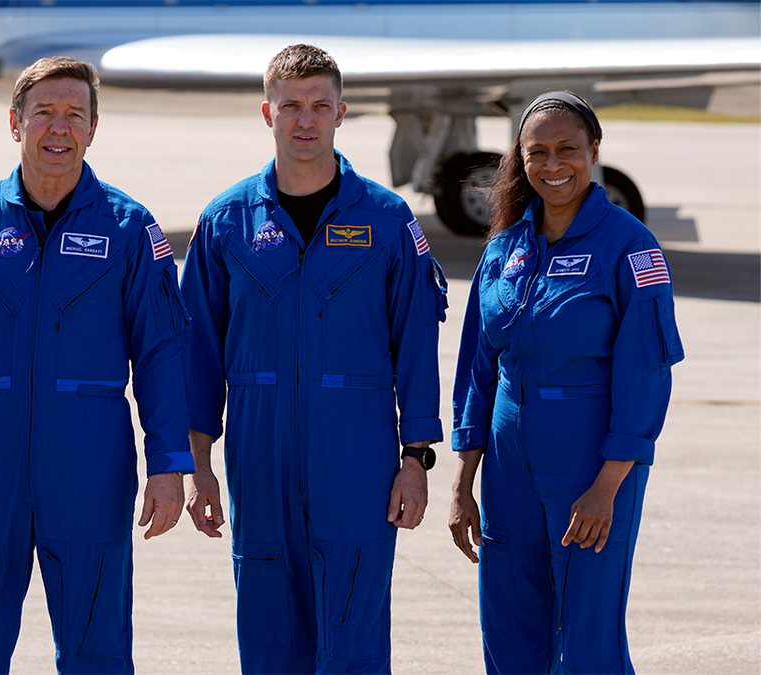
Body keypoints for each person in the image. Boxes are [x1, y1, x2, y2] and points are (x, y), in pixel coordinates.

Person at [0, 56, 194, 674]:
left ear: (93, 128)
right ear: (15, 122)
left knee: (98, 649)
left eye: (74, 115)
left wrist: (169, 464)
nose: (58, 128)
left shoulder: (130, 228)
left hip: (90, 461)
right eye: (44, 114)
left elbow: (163, 355)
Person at [180, 44, 448, 673]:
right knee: (270, 636)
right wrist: (197, 465)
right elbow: (196, 355)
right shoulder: (224, 222)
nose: (305, 120)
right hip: (257, 456)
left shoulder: (386, 220)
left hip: (357, 461)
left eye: (319, 106)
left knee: (353, 639)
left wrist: (416, 462)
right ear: (266, 112)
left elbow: (415, 346)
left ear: (340, 113)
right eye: (291, 106)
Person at [448, 91, 684, 674]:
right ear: (520, 160)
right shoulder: (503, 249)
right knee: (508, 625)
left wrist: (607, 485)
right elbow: (479, 368)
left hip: (589, 463)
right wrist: (462, 480)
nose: (553, 165)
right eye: (538, 153)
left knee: (588, 636)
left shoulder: (630, 247)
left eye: (567, 150)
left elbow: (646, 375)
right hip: (508, 466)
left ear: (594, 151)